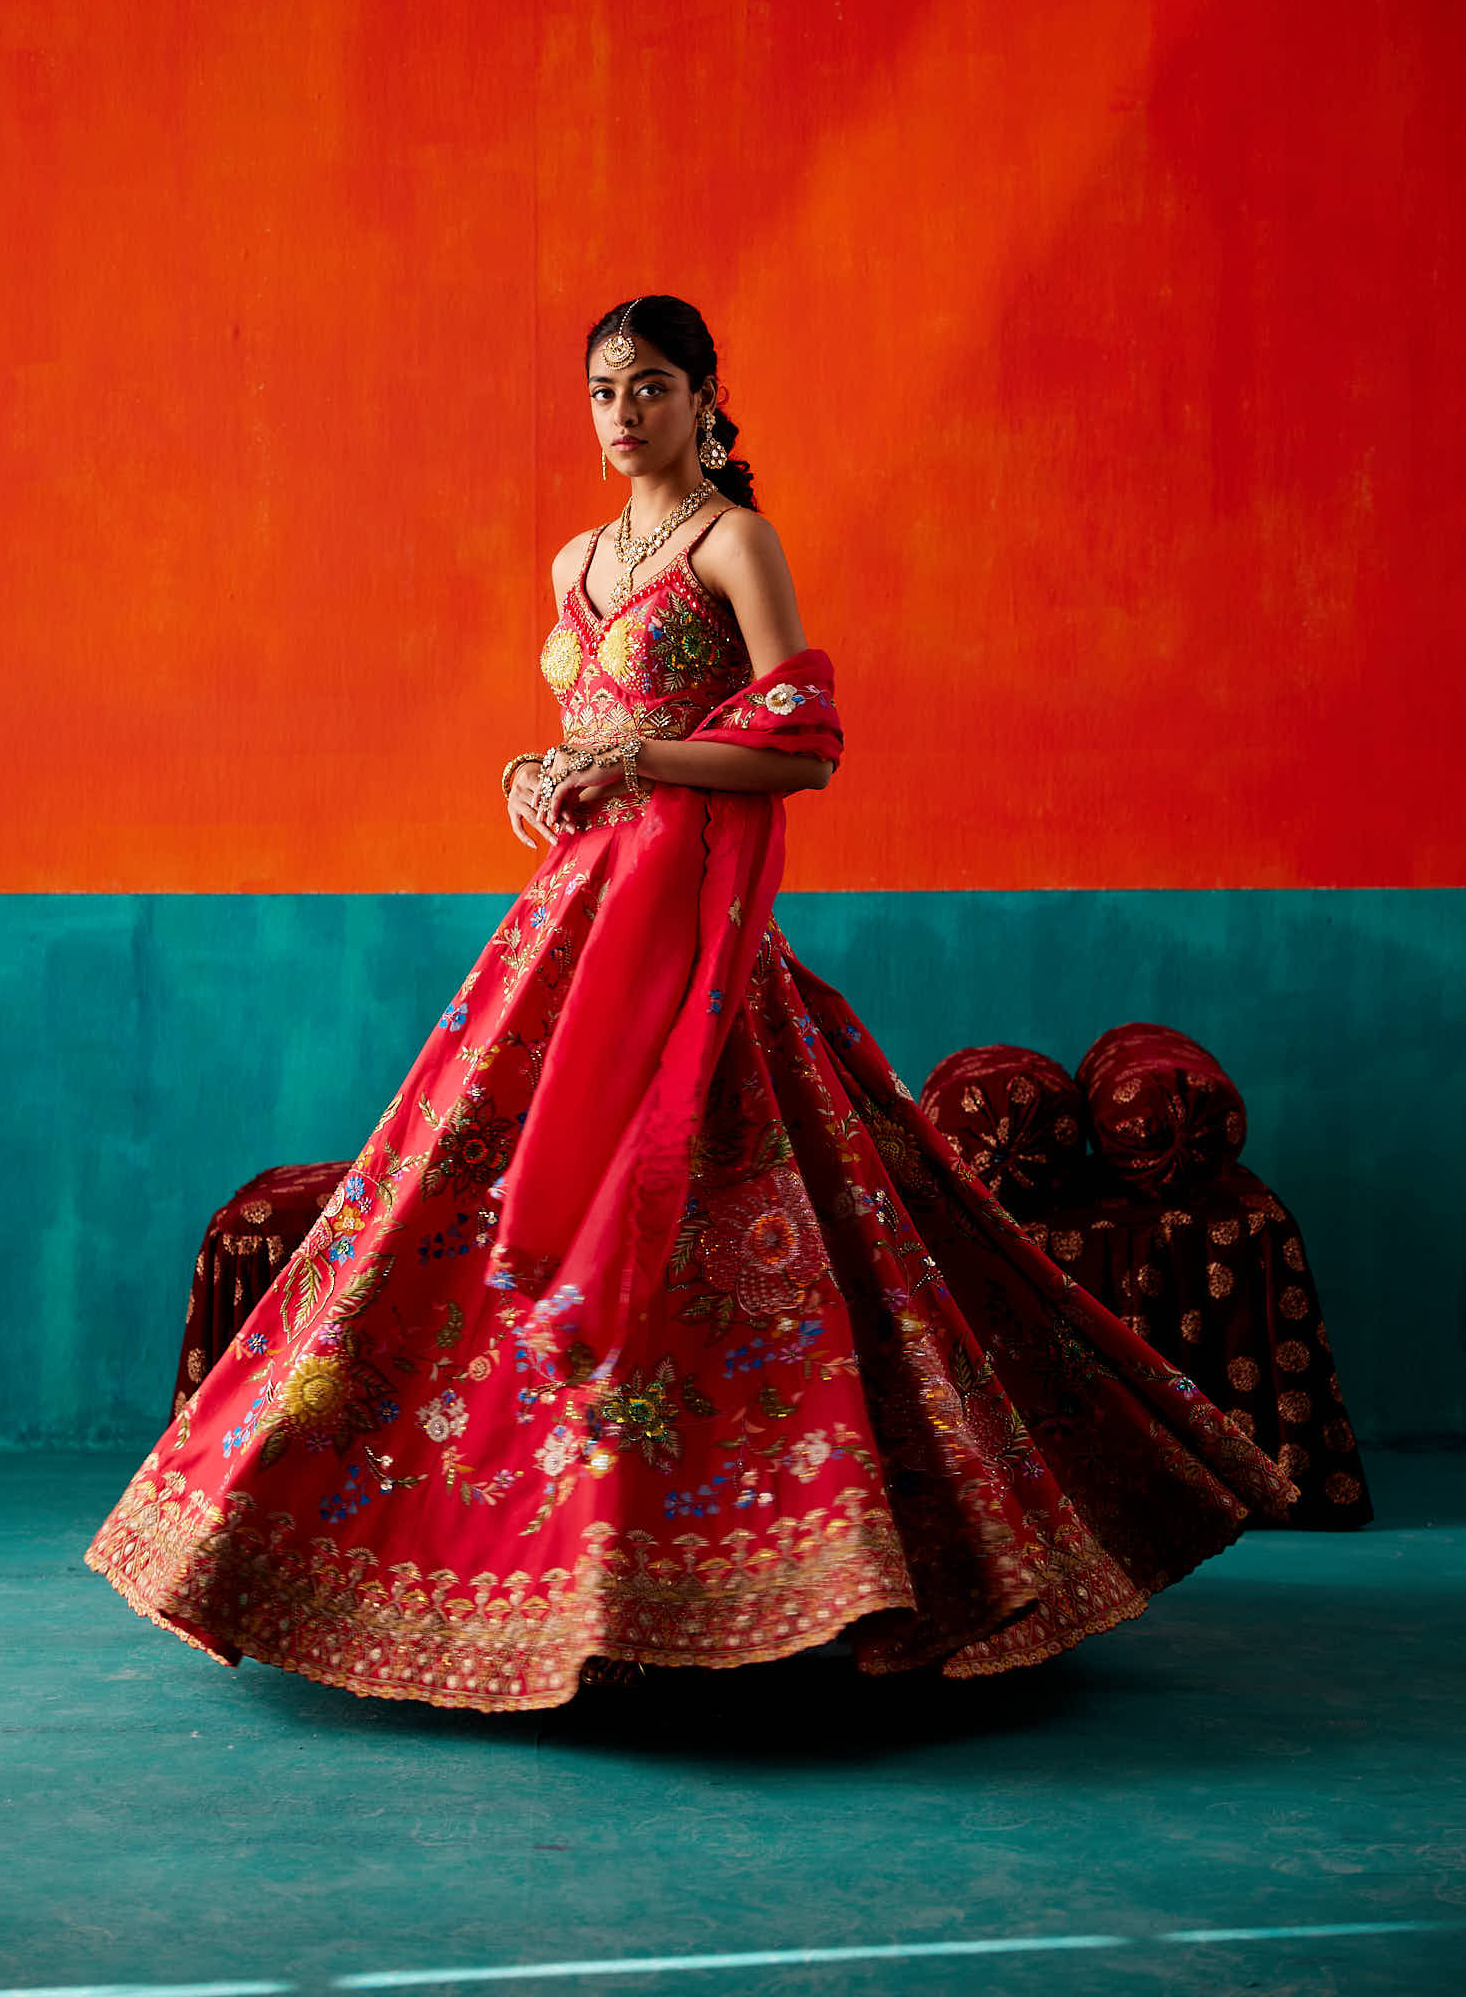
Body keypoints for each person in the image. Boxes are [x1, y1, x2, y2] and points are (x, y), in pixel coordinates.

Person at [86, 293, 1299, 1712]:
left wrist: (641, 761)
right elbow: (590, 745)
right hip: (572, 925)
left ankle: (804, 1578)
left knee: (743, 1221)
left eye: (651, 384)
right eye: (603, 388)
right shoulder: (577, 561)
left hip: (694, 943)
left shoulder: (735, 543)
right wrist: (542, 779)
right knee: (446, 1197)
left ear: (707, 395)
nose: (621, 411)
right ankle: (489, 1561)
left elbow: (803, 744)